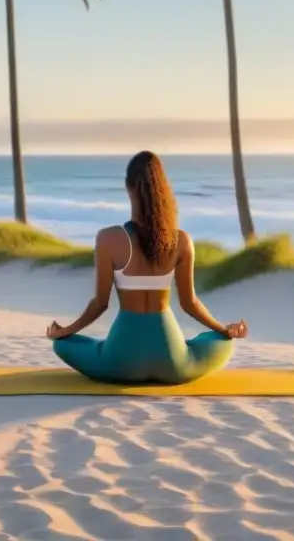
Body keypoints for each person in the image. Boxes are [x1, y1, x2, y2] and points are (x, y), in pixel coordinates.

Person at [47, 150, 248, 384]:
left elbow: (100, 304)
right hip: (171, 360)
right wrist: (223, 330)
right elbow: (189, 303)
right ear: (163, 189)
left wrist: (66, 331)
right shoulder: (181, 241)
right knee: (222, 343)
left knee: (63, 345)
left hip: (121, 362)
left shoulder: (109, 239)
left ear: (128, 187)